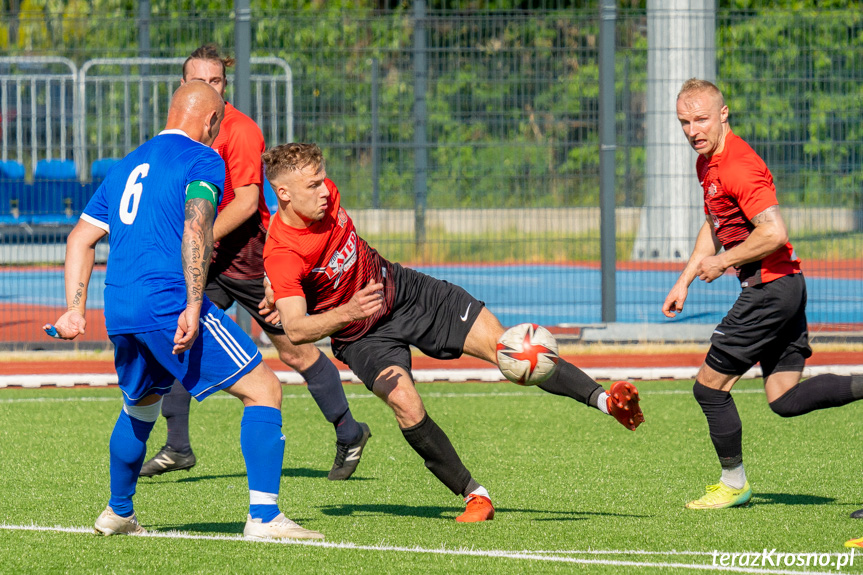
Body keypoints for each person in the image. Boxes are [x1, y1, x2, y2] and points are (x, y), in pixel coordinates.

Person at [259, 142, 645, 523]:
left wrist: (282, 287)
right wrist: (345, 309)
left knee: (512, 349)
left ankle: (606, 401)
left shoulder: (324, 198)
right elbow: (294, 330)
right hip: (360, 334)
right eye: (313, 186)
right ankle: (474, 495)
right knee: (406, 404)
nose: (326, 191)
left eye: (324, 180)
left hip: (405, 292)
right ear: (284, 194)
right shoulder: (283, 254)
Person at [44, 82, 323, 540]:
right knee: (264, 388)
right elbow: (198, 229)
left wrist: (75, 309)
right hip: (168, 300)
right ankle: (265, 517)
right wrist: (195, 304)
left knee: (140, 406)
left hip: (121, 307)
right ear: (212, 122)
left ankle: (118, 512)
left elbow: (80, 239)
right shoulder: (203, 159)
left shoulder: (126, 165)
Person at [140, 44, 370, 482]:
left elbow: (246, 205)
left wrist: (196, 241)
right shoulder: (182, 133)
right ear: (182, 86)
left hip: (246, 257)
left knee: (294, 350)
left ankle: (349, 431)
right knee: (177, 335)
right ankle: (177, 446)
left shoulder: (241, 131)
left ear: (225, 85)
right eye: (198, 81)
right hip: (208, 256)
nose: (209, 88)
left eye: (216, 81)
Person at [662, 78, 863, 510]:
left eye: (700, 119)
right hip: (784, 287)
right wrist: (687, 277)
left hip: (770, 290)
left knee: (709, 389)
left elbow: (774, 232)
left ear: (723, 114)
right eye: (684, 122)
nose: (693, 129)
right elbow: (716, 224)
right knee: (784, 398)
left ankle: (733, 484)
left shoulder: (737, 164)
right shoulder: (707, 163)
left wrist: (721, 261)